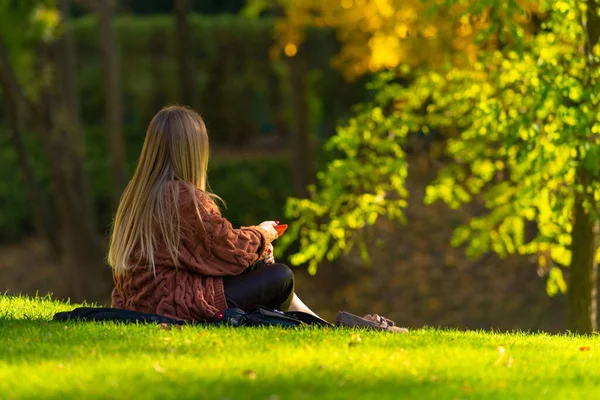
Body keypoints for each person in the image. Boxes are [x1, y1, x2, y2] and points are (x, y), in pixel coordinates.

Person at [108, 105, 318, 322]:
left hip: (142, 303)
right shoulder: (182, 196)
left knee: (259, 263)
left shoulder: (135, 194)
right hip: (178, 306)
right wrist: (264, 233)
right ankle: (314, 322)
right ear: (192, 152)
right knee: (280, 277)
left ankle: (317, 321)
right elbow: (226, 246)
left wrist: (259, 249)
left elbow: (207, 254)